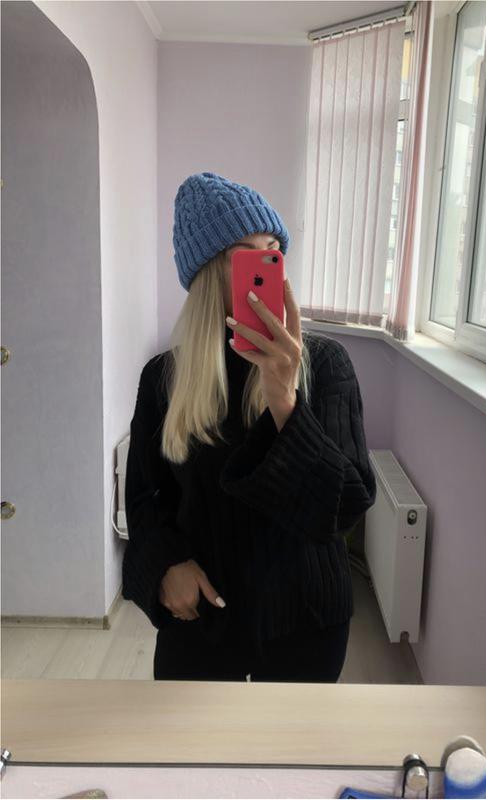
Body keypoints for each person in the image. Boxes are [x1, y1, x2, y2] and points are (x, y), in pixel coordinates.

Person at [121, 171, 377, 682]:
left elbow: (344, 507)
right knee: (186, 737)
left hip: (306, 624)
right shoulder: (164, 379)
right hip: (201, 623)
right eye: (246, 256)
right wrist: (165, 565)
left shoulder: (326, 365)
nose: (267, 270)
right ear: (208, 274)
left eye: (273, 252)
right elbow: (146, 499)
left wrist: (284, 401)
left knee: (295, 737)